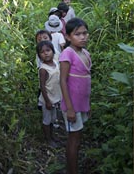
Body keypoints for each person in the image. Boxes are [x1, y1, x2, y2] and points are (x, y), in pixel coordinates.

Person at [59, 18, 92, 174]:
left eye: (85, 33)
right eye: (77, 34)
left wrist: (87, 105)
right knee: (73, 140)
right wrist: (70, 108)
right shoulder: (67, 53)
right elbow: (63, 81)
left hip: (81, 104)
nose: (82, 37)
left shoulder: (85, 52)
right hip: (72, 105)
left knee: (77, 138)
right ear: (68, 37)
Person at [36, 40, 62, 147]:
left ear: (53, 51)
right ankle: (48, 139)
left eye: (48, 50)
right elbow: (42, 86)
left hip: (54, 98)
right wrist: (47, 101)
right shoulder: (43, 69)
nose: (46, 53)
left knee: (52, 119)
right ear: (39, 56)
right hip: (47, 100)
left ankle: (52, 136)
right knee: (47, 120)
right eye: (42, 52)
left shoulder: (55, 63)